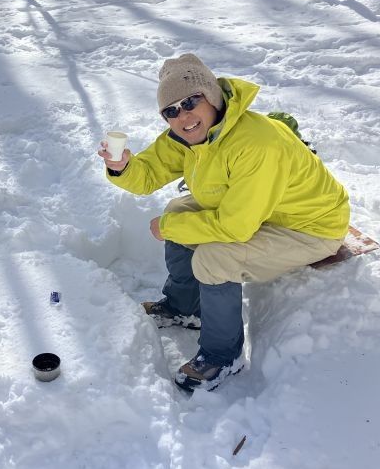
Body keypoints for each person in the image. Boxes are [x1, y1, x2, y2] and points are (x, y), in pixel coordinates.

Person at [98, 53, 350, 391]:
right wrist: (122, 167)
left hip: (308, 226)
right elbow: (148, 175)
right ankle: (184, 308)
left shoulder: (256, 144)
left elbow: (235, 228)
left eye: (190, 101)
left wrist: (169, 229)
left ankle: (223, 356)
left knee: (214, 257)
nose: (183, 115)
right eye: (170, 110)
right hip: (263, 209)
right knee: (178, 211)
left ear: (213, 98)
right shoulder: (190, 136)